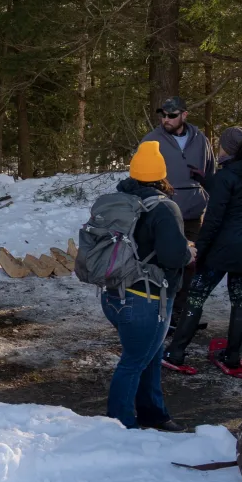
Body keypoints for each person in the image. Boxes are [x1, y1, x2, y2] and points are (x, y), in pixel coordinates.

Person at [93, 142, 194, 430]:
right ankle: (119, 426)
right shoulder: (164, 208)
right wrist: (189, 252)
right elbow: (173, 256)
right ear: (163, 175)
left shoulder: (119, 201)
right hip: (146, 300)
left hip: (115, 294)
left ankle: (154, 413)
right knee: (134, 361)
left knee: (149, 355)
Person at [163, 127, 242, 378]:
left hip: (222, 248)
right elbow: (233, 190)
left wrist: (200, 252)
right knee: (239, 302)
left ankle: (175, 354)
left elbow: (214, 221)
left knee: (196, 297)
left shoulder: (226, 176)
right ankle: (232, 357)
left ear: (229, 148)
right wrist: (205, 179)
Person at [142, 96, 215, 325]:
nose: (166, 119)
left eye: (172, 115)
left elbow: (210, 172)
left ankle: (181, 313)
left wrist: (206, 191)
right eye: (163, 114)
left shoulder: (200, 139)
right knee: (166, 262)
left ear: (184, 115)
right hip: (165, 211)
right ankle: (162, 311)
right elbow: (141, 176)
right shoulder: (151, 140)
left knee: (191, 262)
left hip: (193, 212)